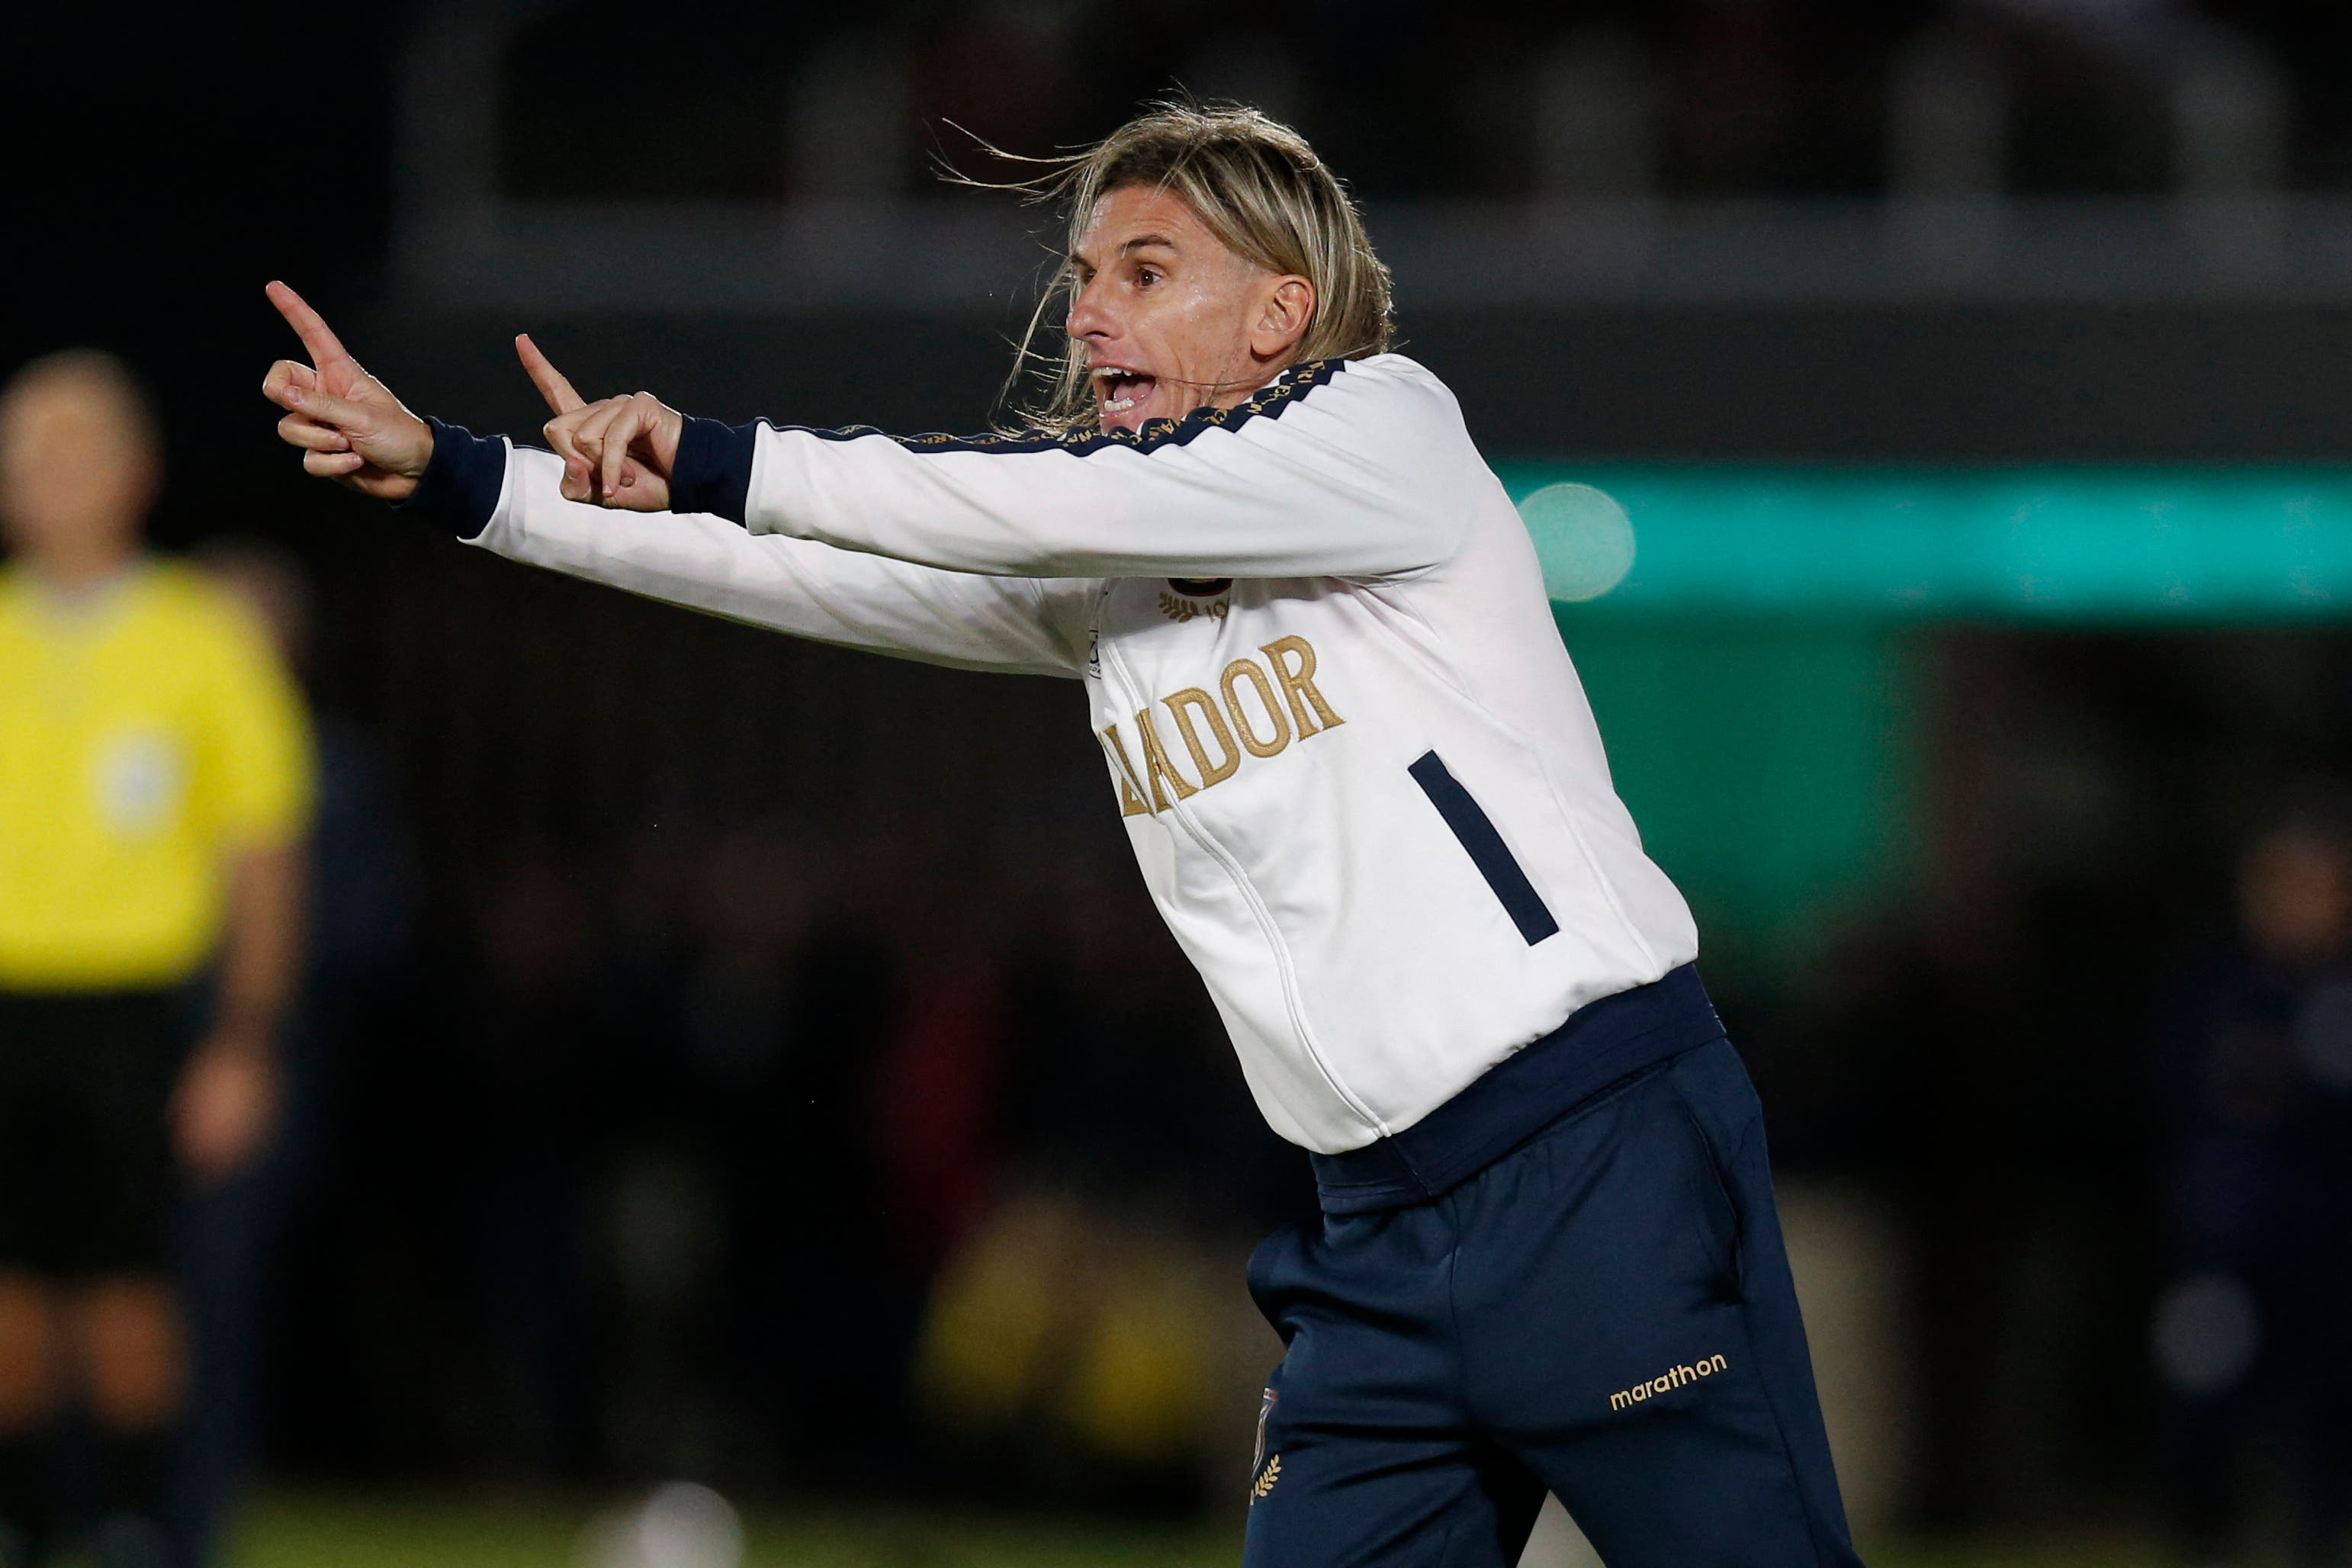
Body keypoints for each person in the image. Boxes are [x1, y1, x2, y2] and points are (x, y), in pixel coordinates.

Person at [260, 104, 1864, 1567]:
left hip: (1591, 1160)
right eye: (1086, 271)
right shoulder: (1118, 585)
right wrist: (470, 483)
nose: (1090, 307)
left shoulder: (1395, 429)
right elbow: (811, 572)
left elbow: (996, 501)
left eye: (1148, 267)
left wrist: (727, 454)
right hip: (1370, 1233)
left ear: (1280, 310)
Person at [0, 352, 314, 1568]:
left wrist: (245, 1040)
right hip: (7, 1000)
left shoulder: (202, 639)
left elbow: (265, 853)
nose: (49, 473)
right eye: (27, 449)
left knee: (131, 1288)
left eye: (75, 445)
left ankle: (137, 1524)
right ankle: (25, 1523)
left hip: (137, 1005)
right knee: (13, 1287)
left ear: (136, 470)